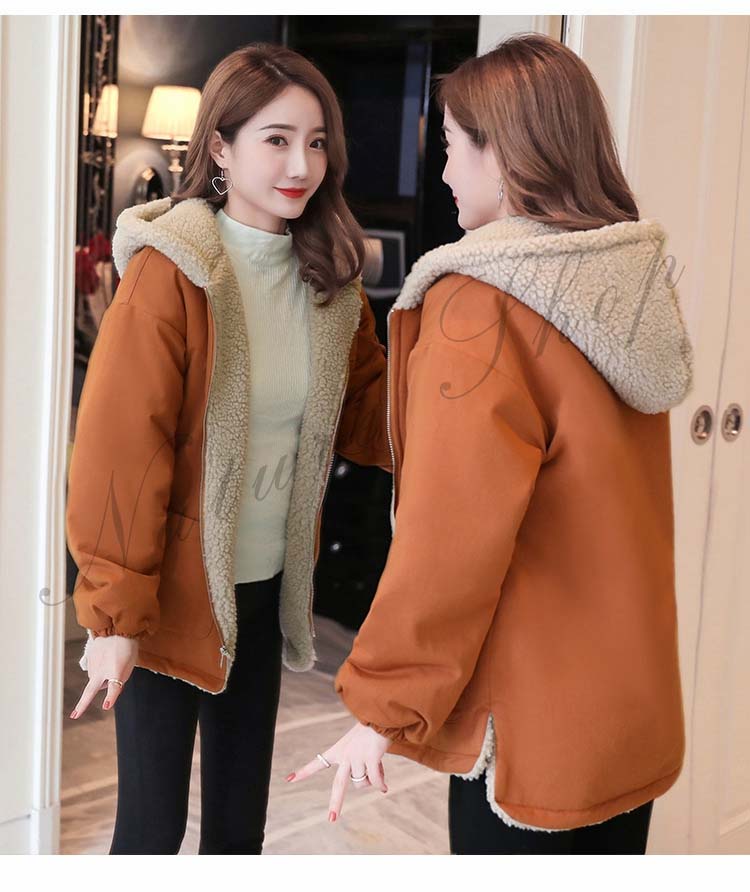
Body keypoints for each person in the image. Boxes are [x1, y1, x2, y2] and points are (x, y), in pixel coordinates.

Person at [285, 32, 693, 855]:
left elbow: (451, 538)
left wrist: (385, 708)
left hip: (530, 733)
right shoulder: (622, 284)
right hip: (627, 717)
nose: (443, 173)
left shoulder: (480, 304)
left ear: (501, 153)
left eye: (449, 146)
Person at [65, 42, 391, 855]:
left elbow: (370, 414)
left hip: (263, 590)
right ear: (220, 147)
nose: (301, 164)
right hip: (169, 594)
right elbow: (118, 451)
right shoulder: (173, 273)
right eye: (276, 140)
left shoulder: (331, 282)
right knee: (150, 831)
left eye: (316, 142)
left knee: (240, 831)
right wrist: (113, 614)